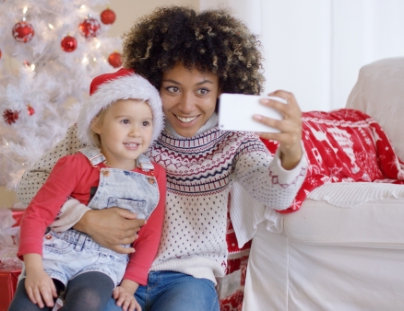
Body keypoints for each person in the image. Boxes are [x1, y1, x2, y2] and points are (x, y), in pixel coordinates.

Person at [17, 6, 308, 311]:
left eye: (203, 91)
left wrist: (291, 149)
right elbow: (30, 186)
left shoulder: (234, 140)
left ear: (222, 89)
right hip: (109, 269)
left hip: (187, 277)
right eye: (172, 88)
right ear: (153, 80)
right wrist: (86, 219)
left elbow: (277, 194)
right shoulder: (120, 126)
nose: (186, 105)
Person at [9, 68, 167, 311]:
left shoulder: (154, 175)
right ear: (96, 123)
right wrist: (35, 270)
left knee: (87, 303)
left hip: (102, 263)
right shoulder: (74, 164)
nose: (136, 132)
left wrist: (129, 286)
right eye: (125, 121)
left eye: (145, 123)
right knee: (26, 305)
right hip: (56, 253)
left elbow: (149, 236)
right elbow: (37, 214)